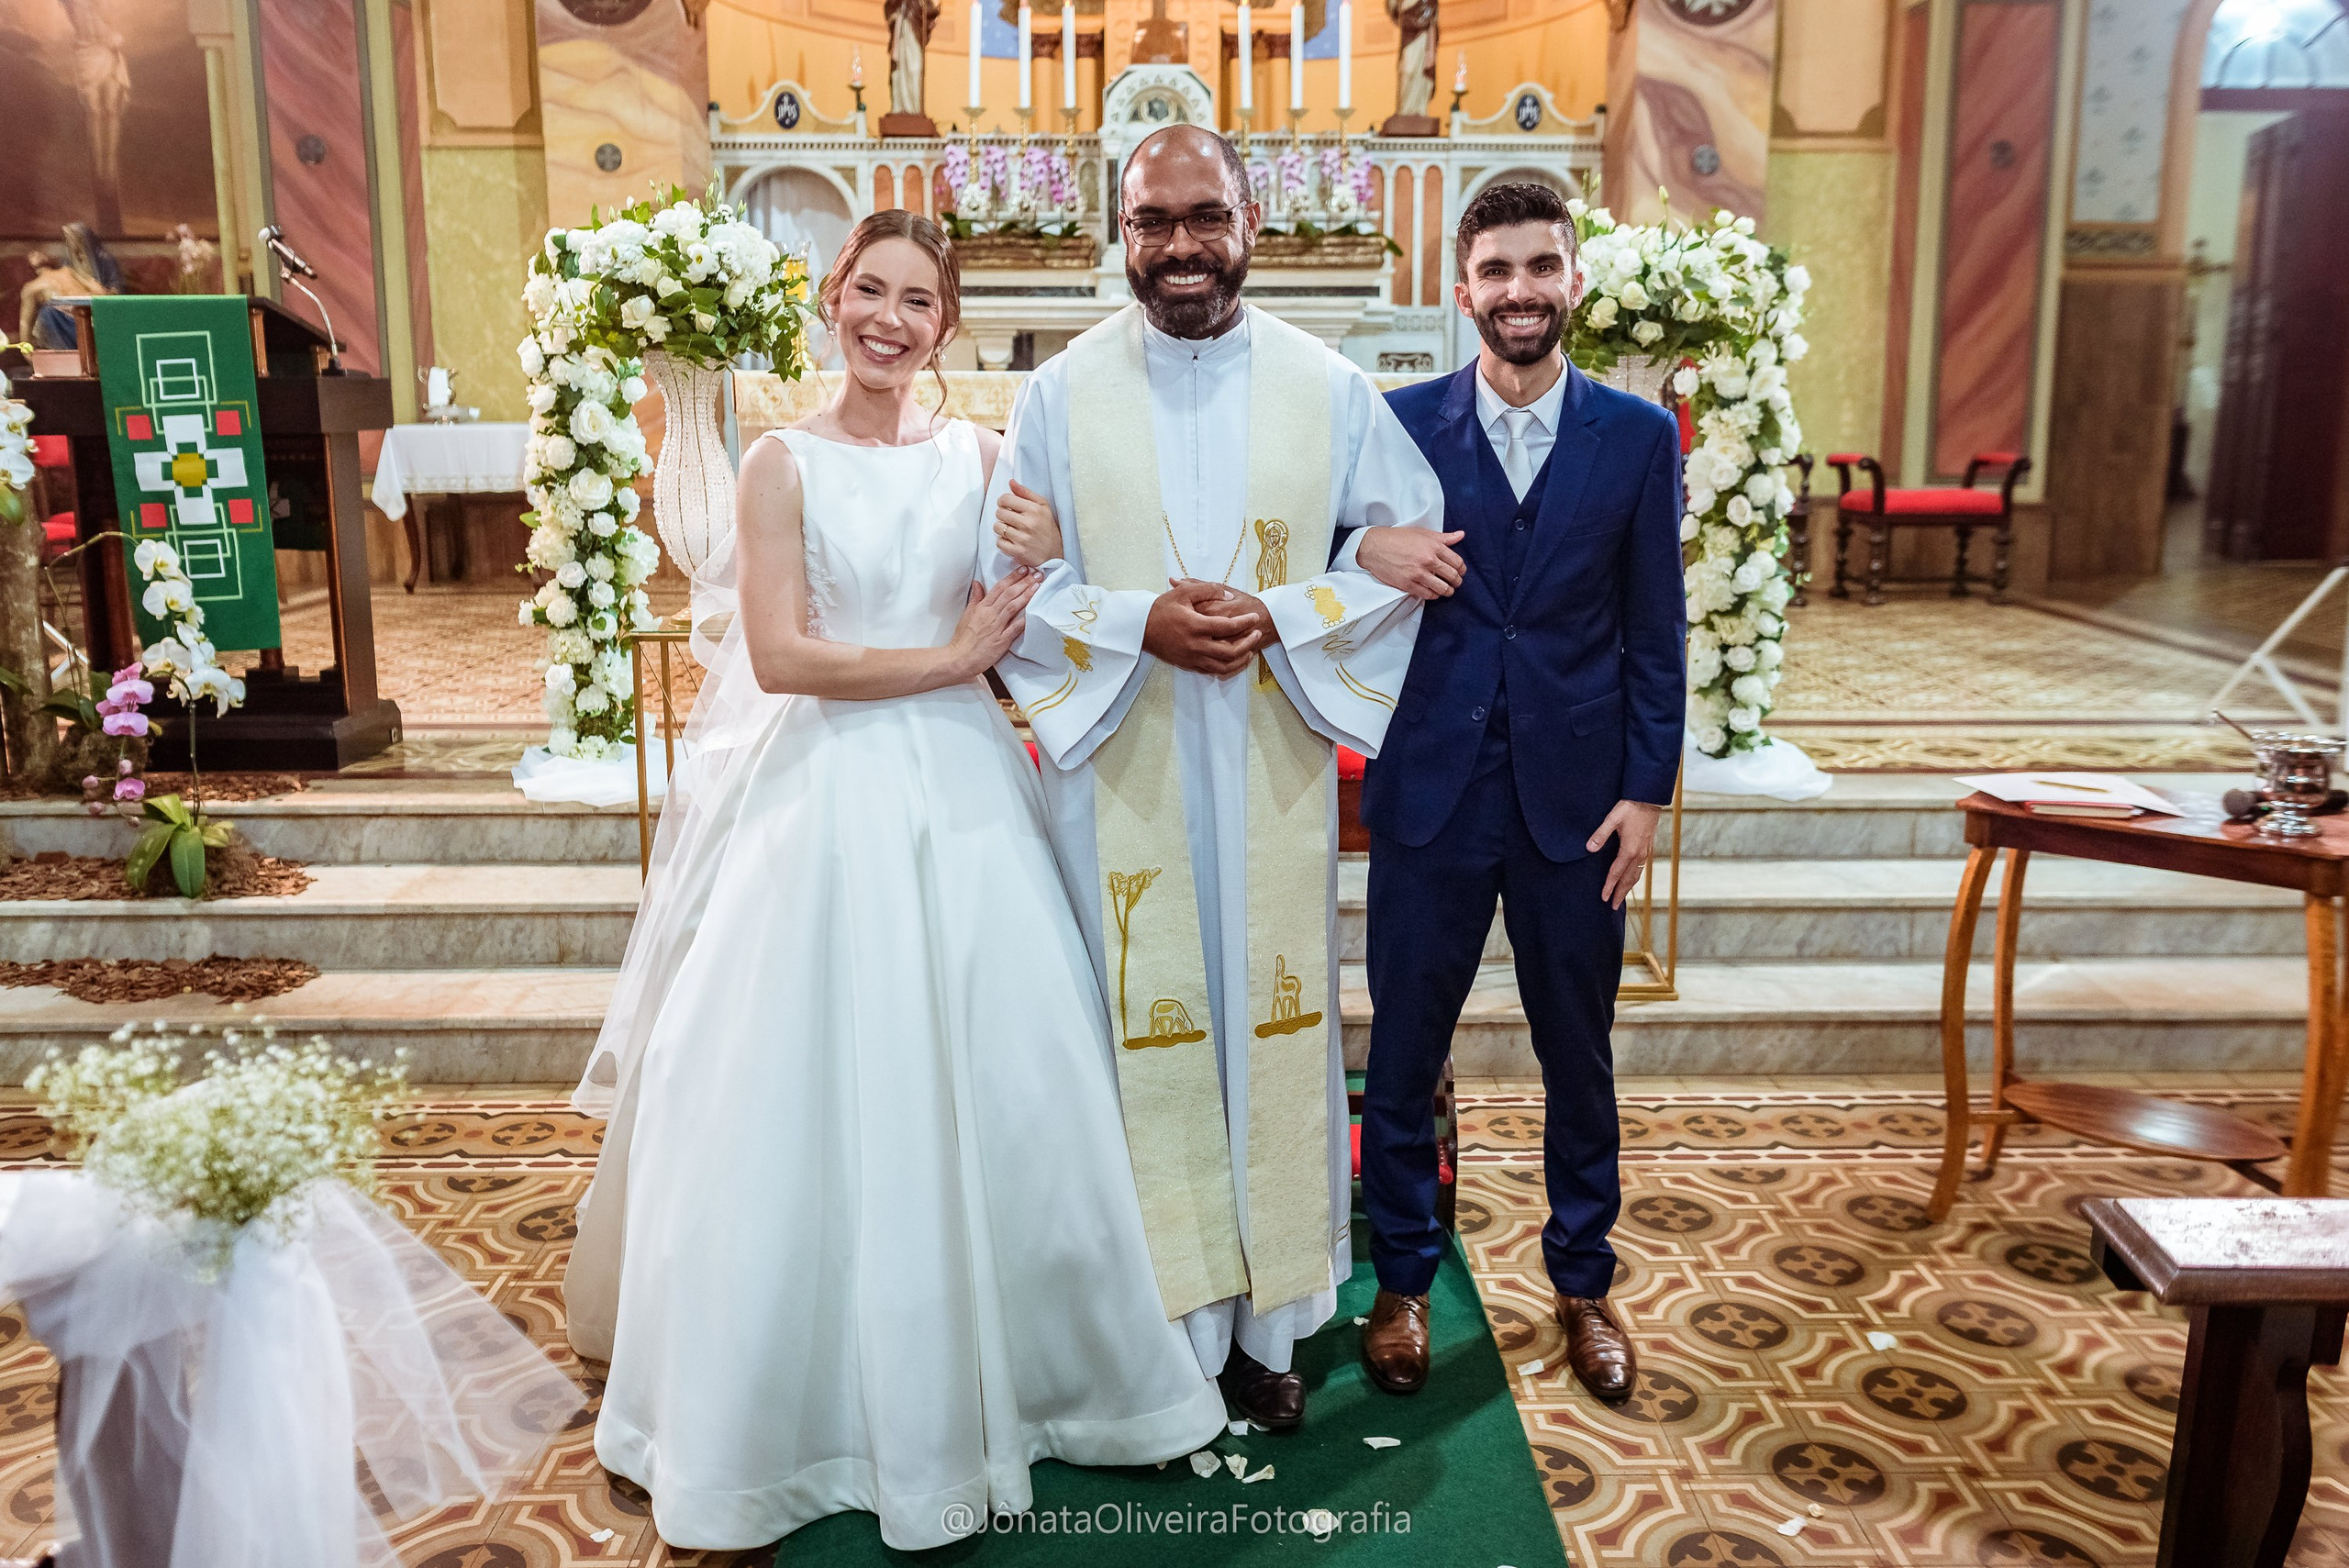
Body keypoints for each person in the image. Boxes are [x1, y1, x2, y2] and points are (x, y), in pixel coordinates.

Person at [560, 209, 1227, 1551]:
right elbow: (787, 656)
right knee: (785, 1084)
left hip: (969, 796)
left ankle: (1054, 1380)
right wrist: (950, 659)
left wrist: (1041, 560)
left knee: (1011, 1072)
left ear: (944, 325)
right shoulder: (777, 463)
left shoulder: (981, 459)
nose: (888, 317)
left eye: (917, 301)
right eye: (870, 290)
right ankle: (773, 1415)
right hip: (828, 793)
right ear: (831, 298)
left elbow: (1042, 591)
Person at [978, 124, 1455, 1432]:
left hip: (1270, 762)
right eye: (1153, 222)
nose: (1180, 244)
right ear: (1117, 233)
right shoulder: (1060, 393)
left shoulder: (1328, 384)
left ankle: (1261, 1331)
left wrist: (1283, 613)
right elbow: (1005, 586)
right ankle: (1150, 1327)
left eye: (1204, 215)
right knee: (1145, 1031)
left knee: (1271, 1022)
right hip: (1120, 758)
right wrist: (1145, 626)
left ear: (1251, 219)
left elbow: (1402, 553)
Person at [1361, 182, 1686, 1403]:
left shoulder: (1638, 439)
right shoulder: (1395, 428)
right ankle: (1402, 1276)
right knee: (1403, 1049)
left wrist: (1646, 792)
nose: (1519, 291)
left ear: (1575, 283)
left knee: (1577, 1051)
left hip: (1576, 805)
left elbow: (1657, 633)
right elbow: (1322, 549)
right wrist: (1364, 547)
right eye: (1496, 270)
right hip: (1431, 792)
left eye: (1541, 266)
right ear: (1463, 289)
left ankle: (1584, 1278)